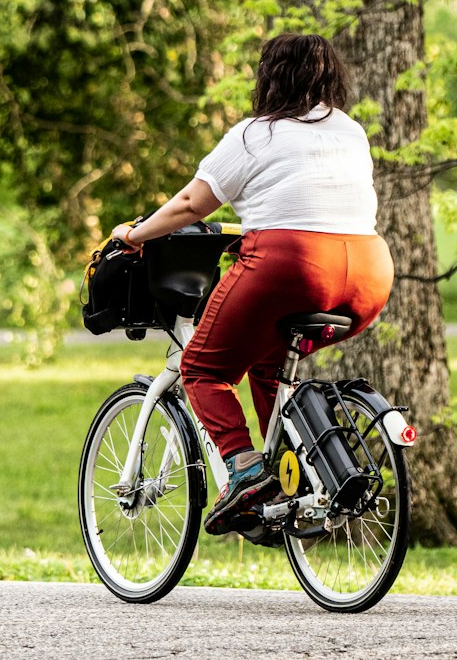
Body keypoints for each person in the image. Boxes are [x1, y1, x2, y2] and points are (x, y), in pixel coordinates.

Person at [110, 32, 394, 535]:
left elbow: (191, 206)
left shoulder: (253, 135)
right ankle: (298, 479)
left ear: (269, 76)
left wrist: (135, 234)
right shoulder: (350, 130)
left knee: (200, 367)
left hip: (293, 264)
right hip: (370, 271)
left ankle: (243, 471)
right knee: (269, 364)